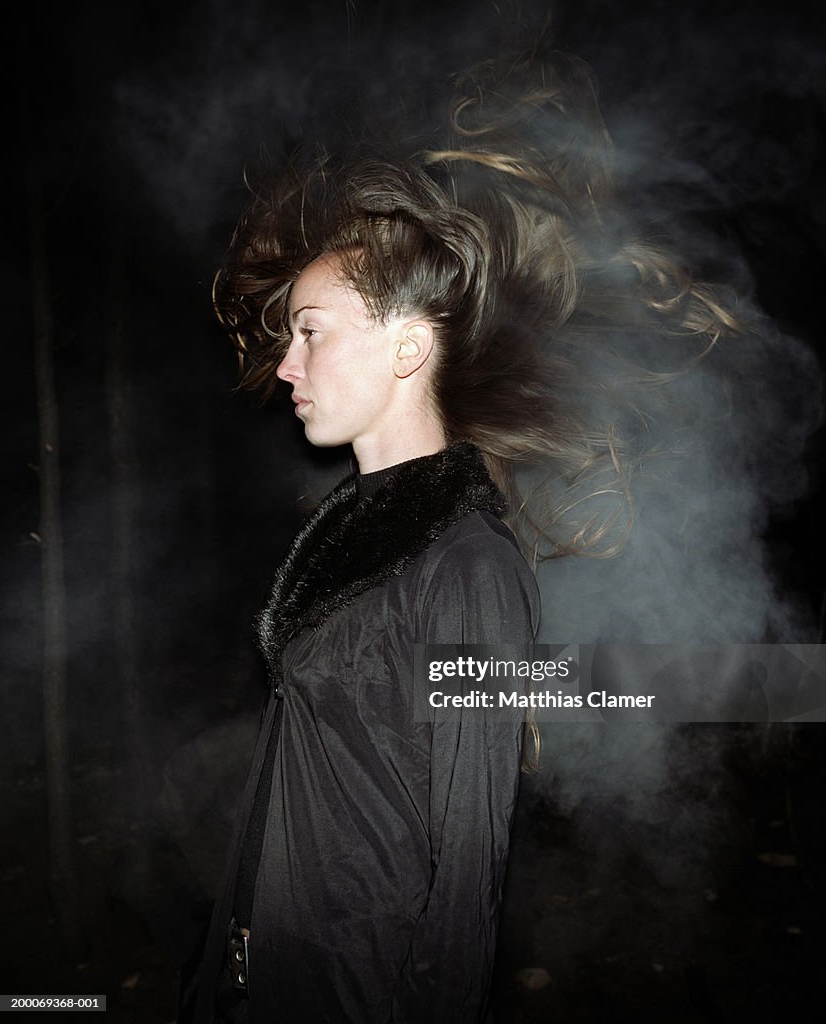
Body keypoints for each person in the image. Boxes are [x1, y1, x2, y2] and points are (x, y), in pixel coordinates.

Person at [187, 47, 740, 1024]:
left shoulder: (464, 564)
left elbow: (464, 882)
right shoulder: (348, 536)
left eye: (311, 330)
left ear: (407, 345)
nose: (285, 364)